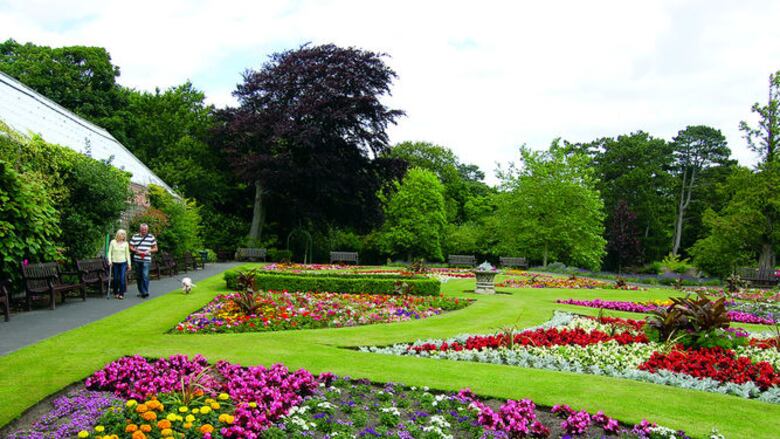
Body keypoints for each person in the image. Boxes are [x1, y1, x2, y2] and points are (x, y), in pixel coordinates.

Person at [129, 223, 158, 299]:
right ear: (140, 229)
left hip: (146, 259)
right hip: (137, 259)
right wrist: (135, 250)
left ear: (147, 229)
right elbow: (130, 246)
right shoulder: (135, 236)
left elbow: (156, 248)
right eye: (142, 229)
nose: (144, 231)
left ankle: (145, 292)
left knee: (145, 275)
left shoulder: (151, 237)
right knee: (139, 276)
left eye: (145, 229)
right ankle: (141, 291)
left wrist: (149, 250)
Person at [107, 229, 131, 299]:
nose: (123, 236)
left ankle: (121, 293)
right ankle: (116, 292)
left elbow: (127, 255)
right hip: (115, 263)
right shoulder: (113, 242)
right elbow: (109, 252)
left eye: (124, 234)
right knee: (116, 279)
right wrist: (110, 261)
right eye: (121, 234)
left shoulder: (126, 243)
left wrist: (129, 264)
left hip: (123, 263)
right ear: (118, 234)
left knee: (122, 278)